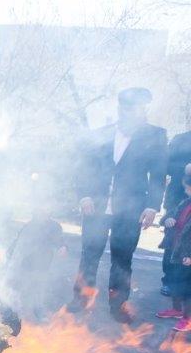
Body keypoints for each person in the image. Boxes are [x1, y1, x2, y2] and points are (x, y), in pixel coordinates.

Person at [68, 87, 168, 323]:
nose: (131, 112)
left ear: (143, 109)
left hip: (131, 208)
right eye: (127, 108)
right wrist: (84, 195)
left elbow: (158, 173)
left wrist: (152, 206)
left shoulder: (155, 135)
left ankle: (118, 304)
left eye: (137, 108)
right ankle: (81, 299)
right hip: (96, 206)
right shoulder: (101, 134)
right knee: (89, 254)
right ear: (120, 109)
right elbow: (85, 168)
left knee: (122, 258)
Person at [4, 207, 68, 321]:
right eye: (41, 211)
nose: (44, 213)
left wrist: (63, 246)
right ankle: (12, 311)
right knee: (18, 287)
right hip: (26, 264)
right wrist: (9, 253)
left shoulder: (54, 227)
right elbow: (18, 241)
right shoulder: (29, 226)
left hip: (43, 264)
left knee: (39, 288)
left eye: (46, 211)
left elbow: (59, 240)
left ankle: (38, 310)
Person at [157, 168, 191, 331]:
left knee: (187, 288)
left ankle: (187, 318)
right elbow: (167, 216)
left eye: (188, 188)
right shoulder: (185, 203)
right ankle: (177, 310)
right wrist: (168, 219)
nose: (186, 191)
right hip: (175, 251)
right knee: (174, 281)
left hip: (187, 255)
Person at [160, 130, 191, 296]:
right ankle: (169, 280)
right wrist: (185, 168)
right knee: (173, 239)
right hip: (178, 198)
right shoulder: (181, 139)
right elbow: (165, 164)